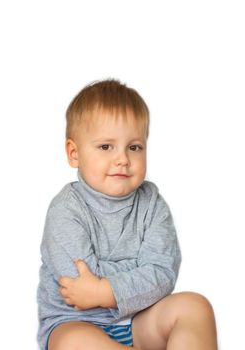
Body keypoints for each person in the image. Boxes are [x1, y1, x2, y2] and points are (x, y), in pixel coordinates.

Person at [36, 79, 218, 350]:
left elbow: (163, 274)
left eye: (134, 147)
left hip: (139, 320)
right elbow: (76, 285)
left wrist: (102, 289)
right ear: (74, 153)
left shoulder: (152, 203)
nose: (122, 158)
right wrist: (140, 269)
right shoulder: (66, 208)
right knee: (72, 343)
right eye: (106, 147)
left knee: (195, 306)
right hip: (76, 321)